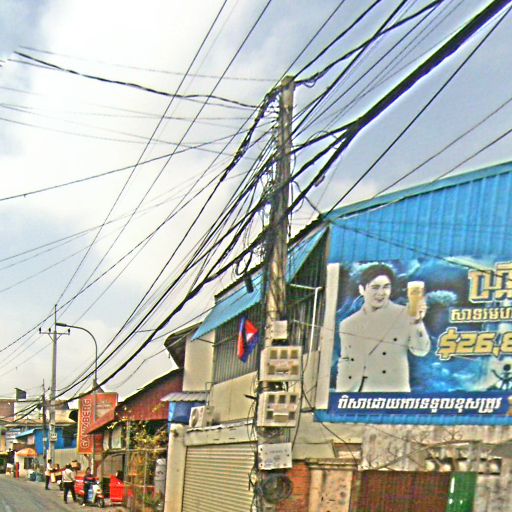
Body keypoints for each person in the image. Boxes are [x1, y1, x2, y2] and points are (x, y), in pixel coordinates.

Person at [336, 264, 430, 392]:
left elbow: (421, 350)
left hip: (396, 395)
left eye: (386, 287)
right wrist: (341, 395)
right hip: (364, 396)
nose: (381, 293)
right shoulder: (348, 324)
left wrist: (417, 321)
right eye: (375, 287)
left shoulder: (404, 314)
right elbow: (346, 363)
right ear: (362, 289)